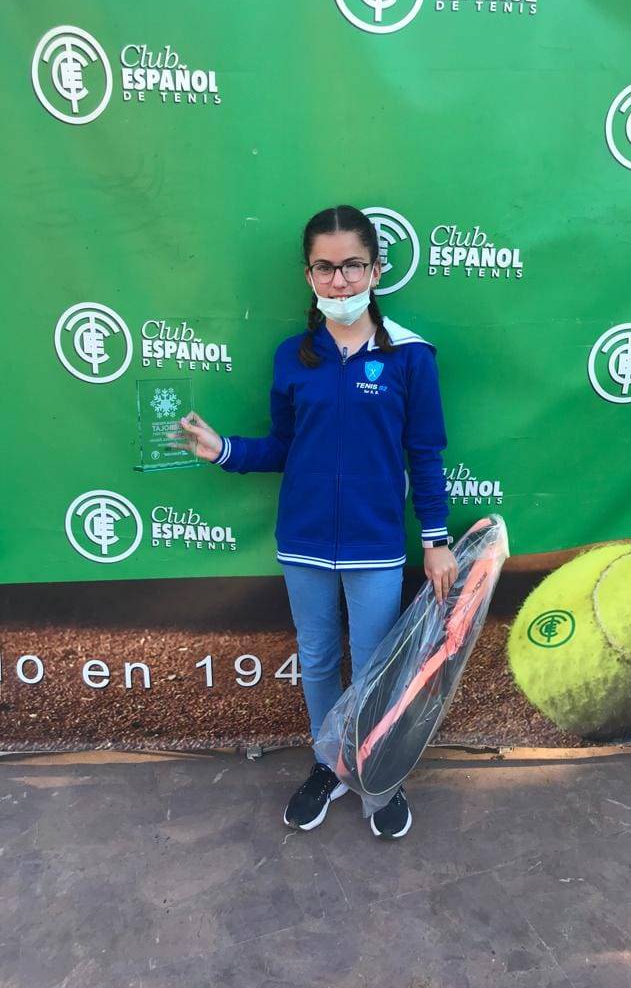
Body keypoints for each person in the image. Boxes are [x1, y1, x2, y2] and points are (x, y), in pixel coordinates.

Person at [173, 204, 458, 839]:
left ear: (376, 270)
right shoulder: (291, 357)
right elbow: (285, 446)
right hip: (302, 541)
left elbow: (426, 453)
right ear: (308, 275)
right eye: (325, 268)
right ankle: (328, 764)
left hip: (375, 544)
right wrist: (224, 450)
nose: (340, 280)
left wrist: (435, 539)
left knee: (375, 664)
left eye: (353, 266)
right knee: (321, 658)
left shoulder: (411, 356)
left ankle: (377, 773)